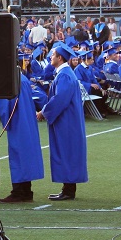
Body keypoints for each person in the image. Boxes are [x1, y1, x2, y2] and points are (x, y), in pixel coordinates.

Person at [36, 43, 88, 201]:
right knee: (68, 153)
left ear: (60, 58)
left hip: (67, 122)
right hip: (68, 121)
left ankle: (68, 190)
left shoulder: (64, 75)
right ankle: (67, 188)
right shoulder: (65, 73)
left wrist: (43, 112)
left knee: (67, 153)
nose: (50, 57)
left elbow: (60, 99)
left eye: (53, 55)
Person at [0, 70, 45, 203]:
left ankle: (18, 191)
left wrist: (5, 120)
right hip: (28, 120)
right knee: (25, 155)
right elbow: (40, 96)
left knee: (17, 155)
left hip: (17, 121)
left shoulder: (10, 79)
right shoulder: (22, 78)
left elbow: (5, 103)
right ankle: (26, 191)